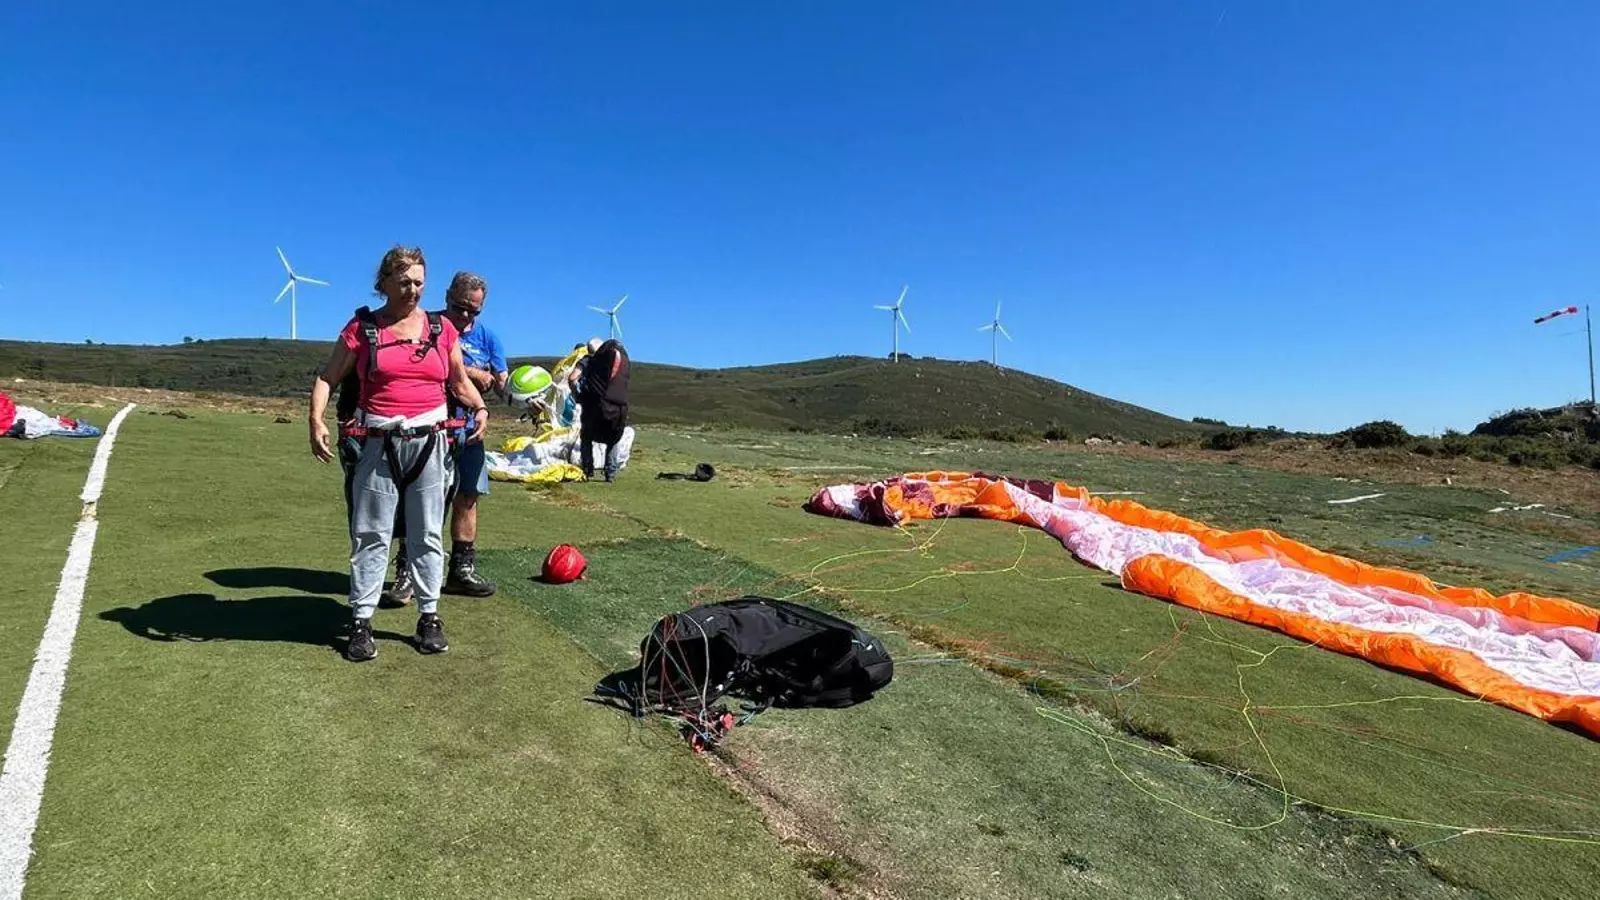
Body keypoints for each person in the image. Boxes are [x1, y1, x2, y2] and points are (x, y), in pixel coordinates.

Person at [309, 245, 489, 662]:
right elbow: (327, 377)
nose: (413, 290)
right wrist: (315, 420)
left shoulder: (442, 330)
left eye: (419, 283)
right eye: (404, 282)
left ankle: (429, 617)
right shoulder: (363, 328)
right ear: (384, 283)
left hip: (430, 444)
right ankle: (361, 621)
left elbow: (458, 381)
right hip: (378, 443)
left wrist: (479, 408)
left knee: (427, 534)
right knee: (371, 534)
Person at [439, 271, 507, 597]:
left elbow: (502, 382)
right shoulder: (428, 325)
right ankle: (408, 569)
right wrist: (473, 373)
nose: (465, 315)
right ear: (447, 297)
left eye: (473, 311)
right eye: (459, 307)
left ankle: (461, 570)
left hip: (470, 433)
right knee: (423, 501)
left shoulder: (489, 338)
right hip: (431, 430)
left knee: (468, 497)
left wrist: (524, 393)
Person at [577, 336, 630, 482]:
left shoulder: (590, 362)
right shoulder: (621, 362)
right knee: (613, 439)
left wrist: (578, 396)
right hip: (619, 410)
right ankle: (610, 474)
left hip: (596, 408)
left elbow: (572, 378)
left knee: (586, 437)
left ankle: (587, 470)